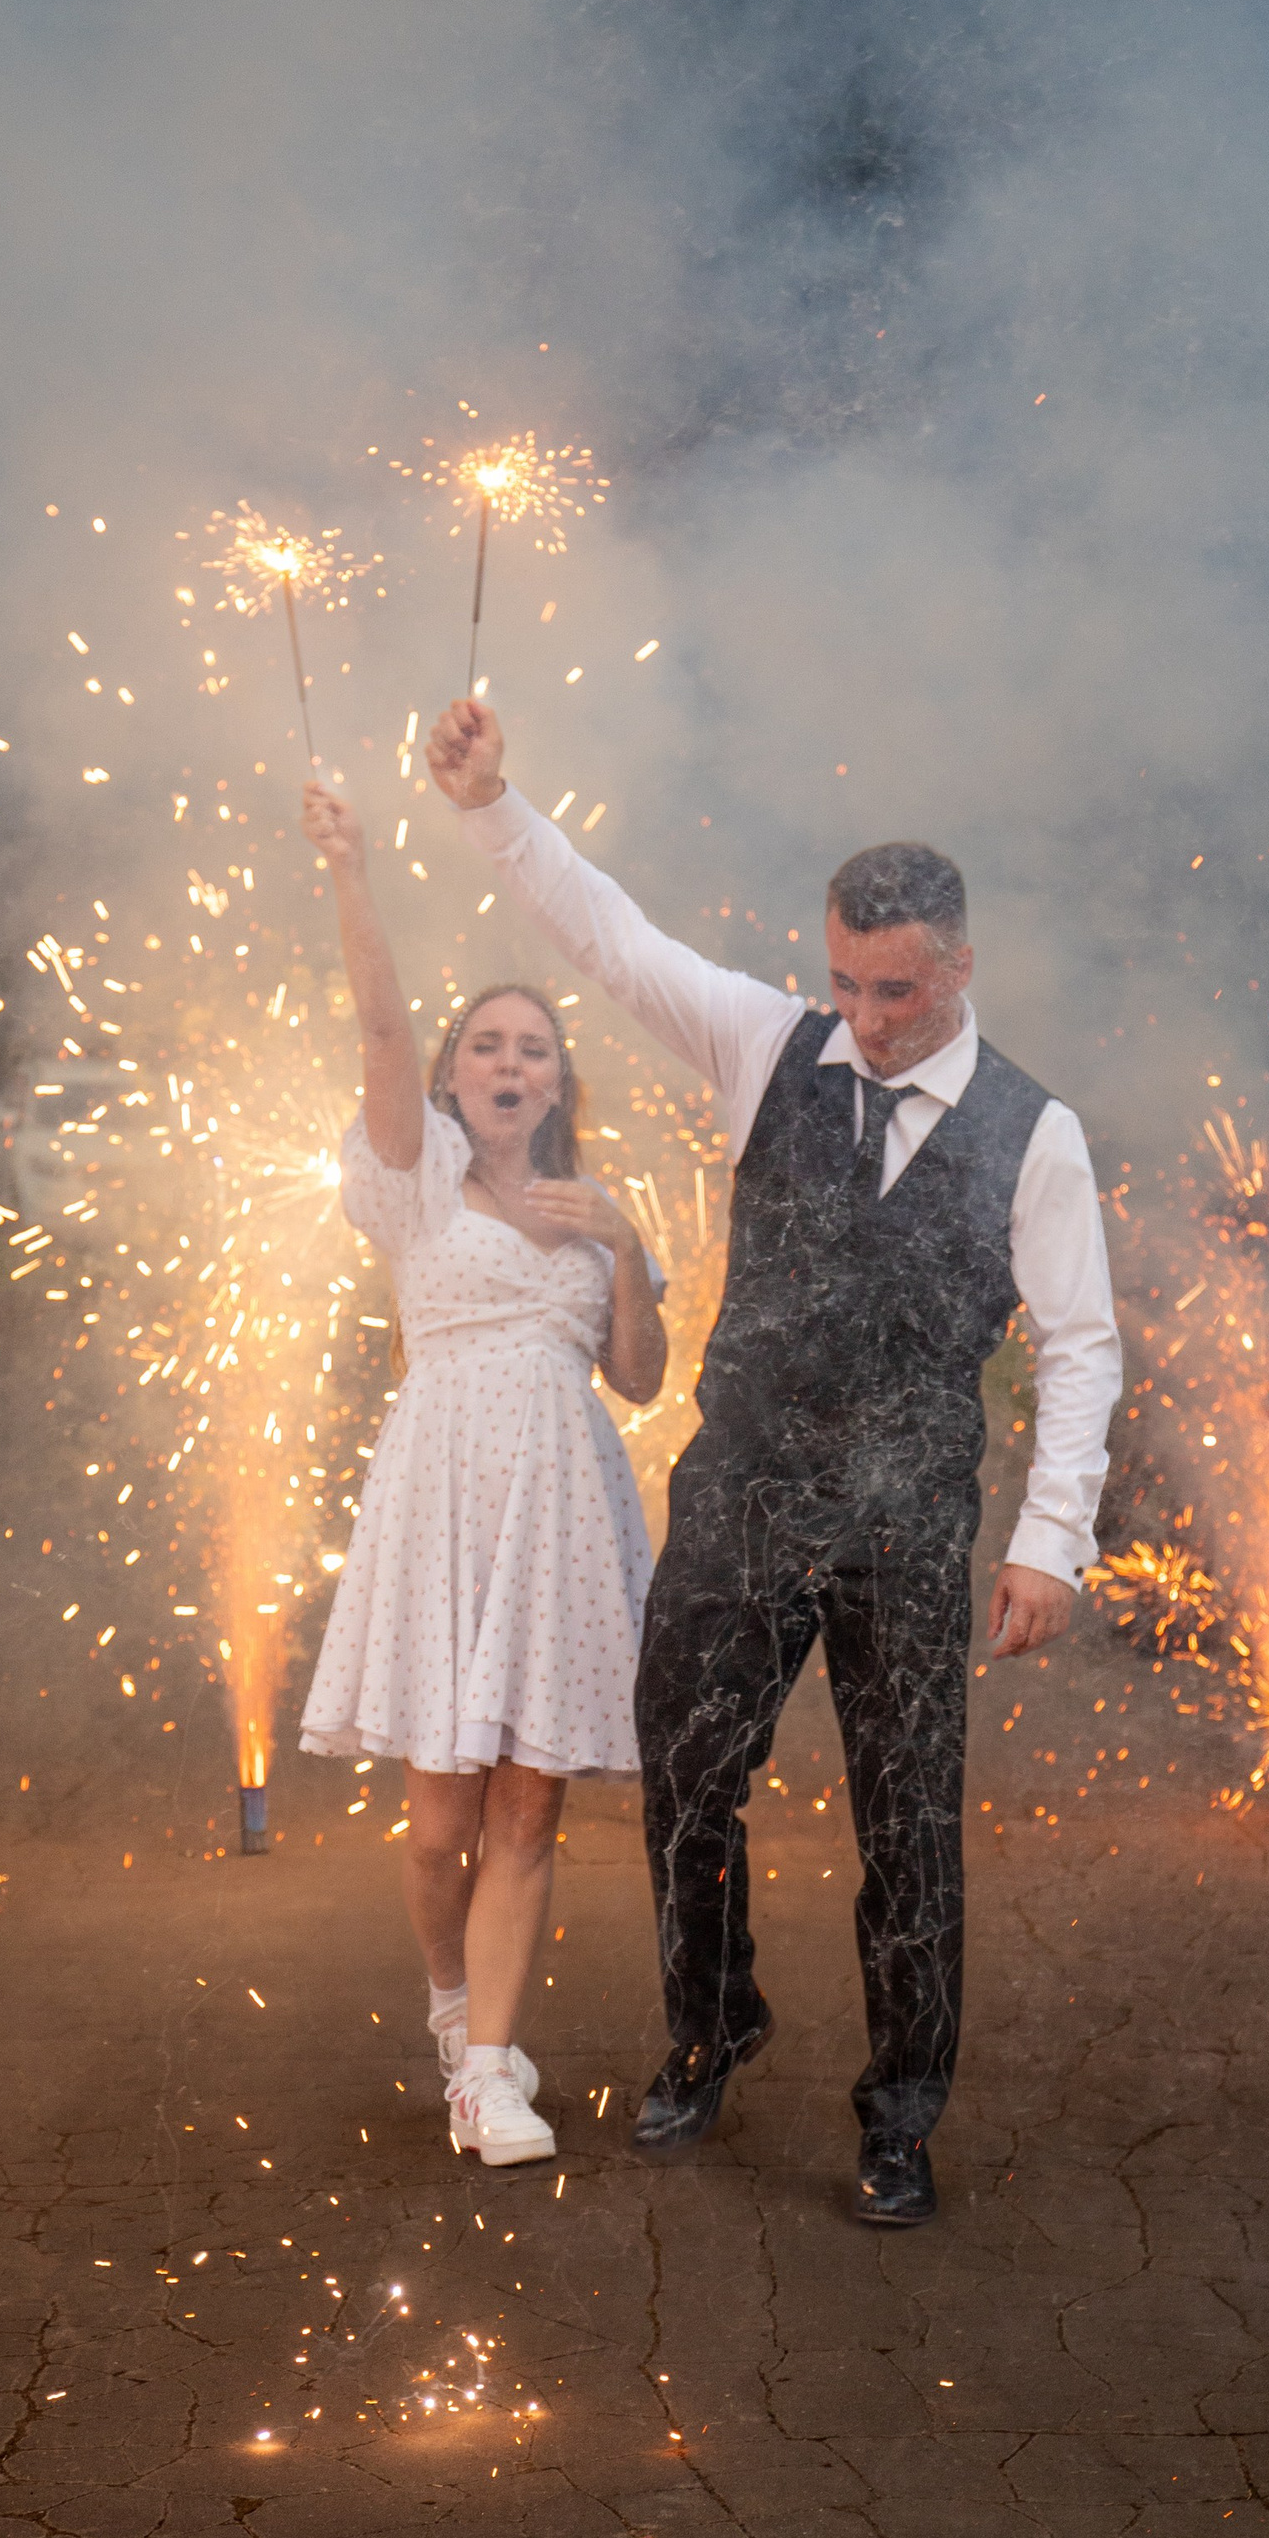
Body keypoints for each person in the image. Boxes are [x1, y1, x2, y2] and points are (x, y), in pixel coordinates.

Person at [425, 694, 1122, 2226]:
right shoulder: (767, 1042)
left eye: (895, 991)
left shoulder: (1036, 1135)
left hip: (907, 1524)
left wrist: (1049, 1539)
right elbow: (613, 942)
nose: (865, 1017)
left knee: (910, 1830)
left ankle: (899, 2119)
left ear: (957, 969)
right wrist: (492, 807)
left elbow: (1080, 1347)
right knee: (682, 1779)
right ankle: (710, 2026)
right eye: (845, 984)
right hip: (741, 1495)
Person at [298, 772, 669, 2170]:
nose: (512, 1063)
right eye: (490, 1045)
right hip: (446, 1498)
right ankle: (453, 2004)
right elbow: (380, 1023)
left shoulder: (590, 1214)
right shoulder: (413, 1181)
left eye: (537, 1049)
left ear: (560, 1081)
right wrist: (353, 871)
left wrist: (625, 1245)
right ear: (458, 1072)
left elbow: (638, 1377)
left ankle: (492, 2075)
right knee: (438, 1818)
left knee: (531, 1801)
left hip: (564, 1512)